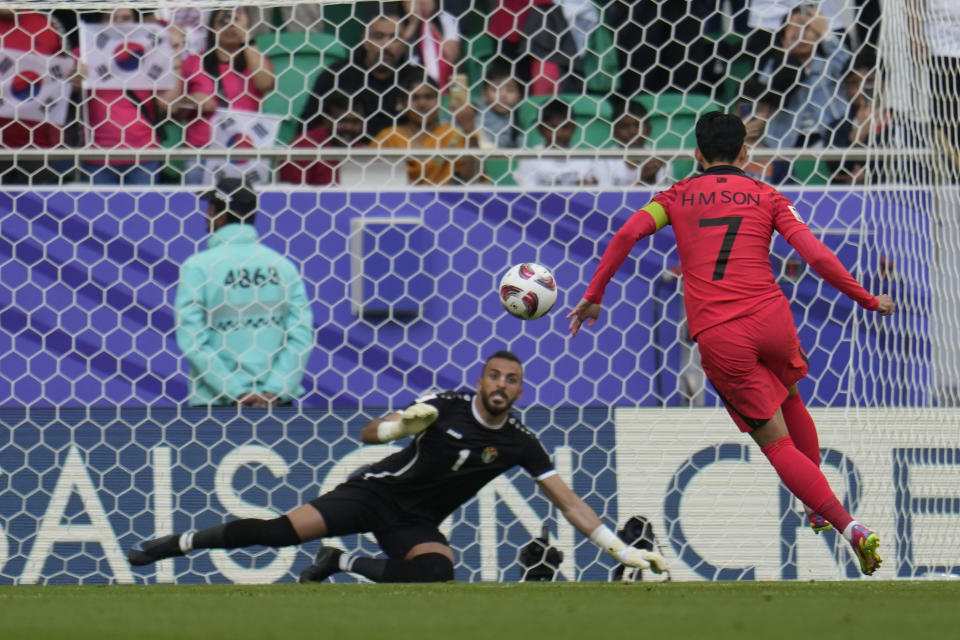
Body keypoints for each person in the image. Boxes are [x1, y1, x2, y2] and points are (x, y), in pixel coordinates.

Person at [566, 112, 895, 576]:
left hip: (722, 335)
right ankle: (816, 505)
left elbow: (626, 234)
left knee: (776, 445)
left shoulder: (675, 197)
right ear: (745, 154)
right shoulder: (767, 194)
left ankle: (848, 525)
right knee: (792, 395)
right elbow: (815, 254)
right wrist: (865, 298)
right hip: (772, 319)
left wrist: (594, 295)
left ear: (696, 154)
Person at [127, 350, 668, 582]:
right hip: (372, 494)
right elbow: (367, 433)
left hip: (414, 523)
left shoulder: (522, 444)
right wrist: (401, 427)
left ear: (521, 390)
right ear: (482, 380)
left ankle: (338, 566)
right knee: (275, 534)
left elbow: (570, 504)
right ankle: (177, 545)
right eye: (494, 377)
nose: (501, 386)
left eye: (512, 381)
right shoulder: (446, 406)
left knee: (436, 573)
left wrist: (623, 551)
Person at [174, 177, 313, 407]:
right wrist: (274, 391)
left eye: (209, 208)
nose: (206, 214)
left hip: (214, 404)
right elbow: (301, 337)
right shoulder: (283, 266)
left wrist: (237, 393)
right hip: (276, 406)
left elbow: (193, 341)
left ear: (219, 215)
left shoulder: (198, 267)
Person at [75, 9, 181, 186]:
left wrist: (176, 56)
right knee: (98, 213)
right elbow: (63, 96)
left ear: (136, 23)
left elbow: (170, 105)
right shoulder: (85, 52)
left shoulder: (151, 53)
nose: (118, 23)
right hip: (98, 155)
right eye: (111, 18)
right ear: (100, 21)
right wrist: (74, 80)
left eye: (125, 18)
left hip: (144, 155)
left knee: (144, 213)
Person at [175, 7, 276, 185]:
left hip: (243, 153)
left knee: (243, 210)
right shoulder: (193, 62)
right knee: (197, 210)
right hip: (202, 153)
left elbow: (266, 84)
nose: (230, 27)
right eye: (223, 21)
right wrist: (191, 101)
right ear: (212, 28)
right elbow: (175, 111)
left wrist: (246, 37)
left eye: (235, 21)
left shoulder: (256, 62)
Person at [298, 4, 410, 140]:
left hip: (401, 157)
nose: (386, 45)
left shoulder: (413, 79)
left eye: (394, 38)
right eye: (379, 37)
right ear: (365, 40)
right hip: (344, 156)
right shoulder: (336, 75)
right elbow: (309, 127)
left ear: (404, 42)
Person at [370, 68, 480, 185]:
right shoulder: (389, 137)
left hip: (443, 200)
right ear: (403, 103)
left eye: (428, 97)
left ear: (439, 102)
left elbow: (472, 179)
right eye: (414, 98)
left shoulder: (451, 135)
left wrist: (469, 129)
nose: (422, 104)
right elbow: (371, 176)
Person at [0, 8, 68, 184]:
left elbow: (60, 76)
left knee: (33, 209)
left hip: (37, 148)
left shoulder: (46, 25)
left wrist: (75, 77)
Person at [278, 91, 369, 186]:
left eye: (355, 122)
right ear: (326, 120)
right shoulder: (303, 148)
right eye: (342, 121)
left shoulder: (362, 151)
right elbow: (292, 195)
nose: (349, 127)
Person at [513, 99, 601, 187]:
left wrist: (588, 187)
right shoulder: (531, 158)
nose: (558, 133)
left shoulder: (585, 159)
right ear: (540, 129)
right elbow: (526, 193)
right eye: (552, 127)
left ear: (574, 128)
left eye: (565, 127)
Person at [595, 101, 670, 187]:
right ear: (613, 131)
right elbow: (604, 198)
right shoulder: (603, 160)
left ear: (649, 129)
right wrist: (641, 182)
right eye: (624, 126)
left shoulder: (659, 160)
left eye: (639, 125)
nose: (633, 132)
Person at [474, 58, 524, 149]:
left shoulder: (516, 125)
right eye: (495, 89)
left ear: (519, 97)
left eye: (510, 90)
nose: (502, 95)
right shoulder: (474, 110)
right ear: (484, 94)